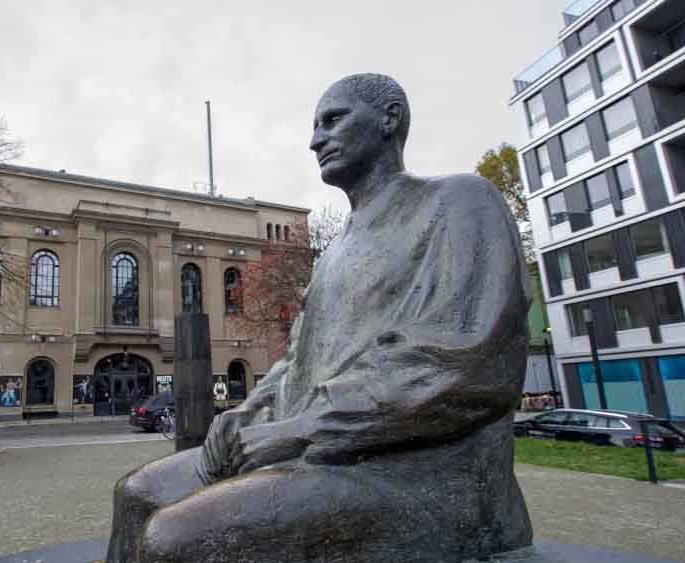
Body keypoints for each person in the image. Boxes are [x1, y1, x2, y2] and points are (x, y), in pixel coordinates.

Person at [106, 74, 533, 563]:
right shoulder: (333, 254)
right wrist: (249, 415)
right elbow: (297, 363)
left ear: (389, 119)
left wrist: (304, 429)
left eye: (333, 120)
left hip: (422, 473)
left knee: (173, 540)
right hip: (320, 450)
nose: (314, 141)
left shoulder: (460, 202)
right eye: (314, 126)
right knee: (137, 493)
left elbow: (466, 364)